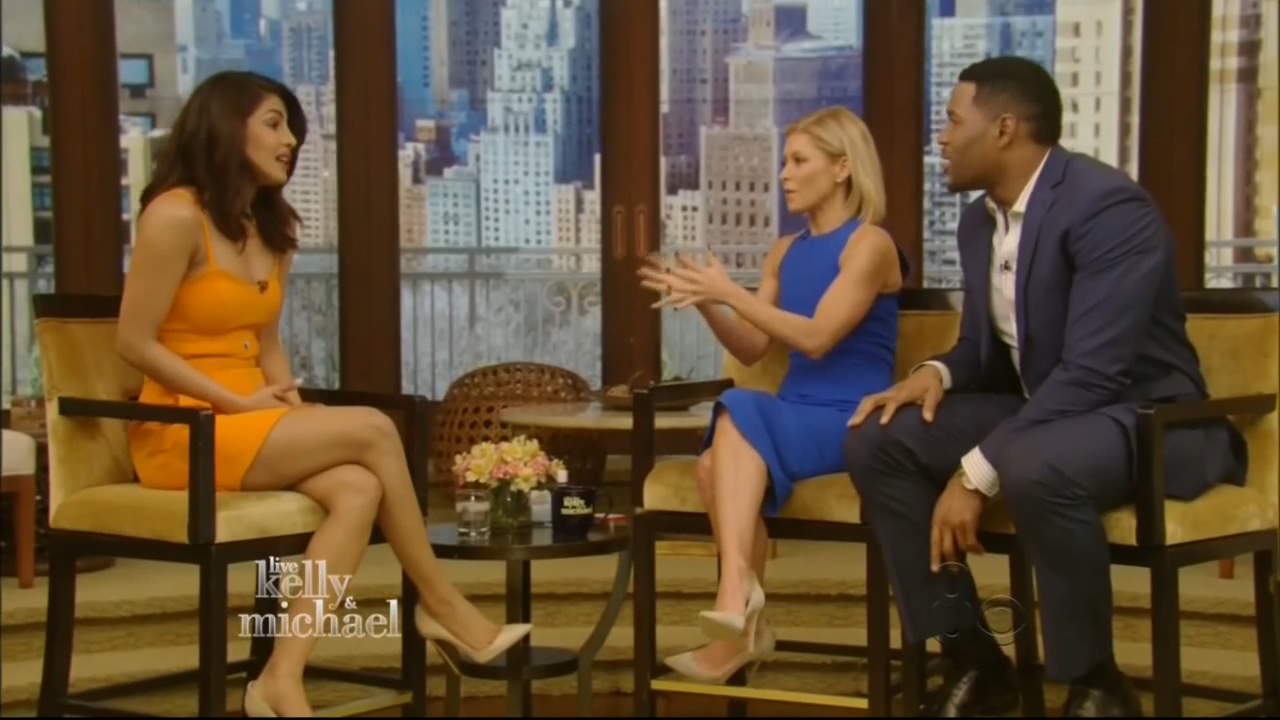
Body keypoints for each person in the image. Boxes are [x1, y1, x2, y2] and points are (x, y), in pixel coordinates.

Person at [116, 71, 532, 718]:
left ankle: (279, 676)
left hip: (252, 417)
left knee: (358, 489)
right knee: (374, 428)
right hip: (183, 430)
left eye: (292, 128)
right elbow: (134, 342)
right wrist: (237, 403)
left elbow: (266, 343)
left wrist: (289, 404)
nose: (291, 141)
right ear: (226, 127)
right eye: (274, 124)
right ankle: (441, 603)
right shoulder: (173, 216)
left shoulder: (270, 228)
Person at [843, 56, 1247, 717]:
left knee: (1032, 464)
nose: (940, 137)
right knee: (879, 440)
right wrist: (932, 375)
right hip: (1050, 415)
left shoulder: (1107, 206)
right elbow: (984, 352)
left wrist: (975, 472)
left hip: (1146, 418)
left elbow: (1094, 373)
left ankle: (1097, 683)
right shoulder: (979, 223)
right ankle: (972, 659)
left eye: (952, 121)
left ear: (1004, 128)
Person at [637, 105, 910, 684]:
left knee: (737, 409)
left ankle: (736, 596)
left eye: (799, 161)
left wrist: (730, 292)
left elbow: (816, 338)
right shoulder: (784, 251)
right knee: (711, 466)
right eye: (785, 161)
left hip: (853, 419)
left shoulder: (870, 244)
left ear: (842, 168)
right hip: (794, 413)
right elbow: (753, 347)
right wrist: (707, 302)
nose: (785, 174)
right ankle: (744, 622)